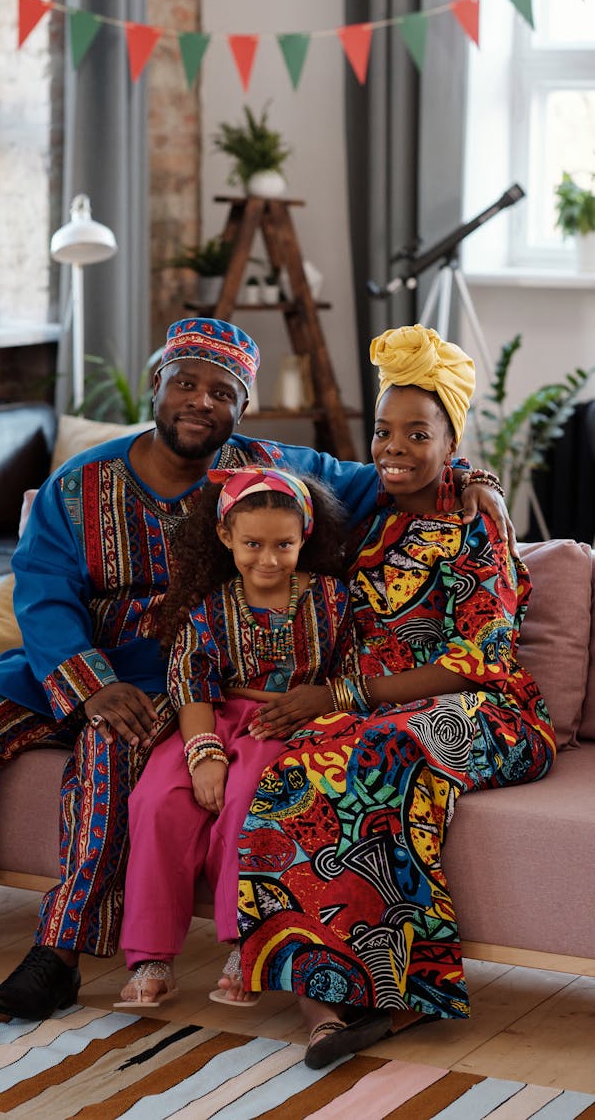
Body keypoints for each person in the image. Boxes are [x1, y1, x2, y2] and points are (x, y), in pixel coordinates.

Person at [0, 316, 512, 1022]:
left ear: (242, 407)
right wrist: (91, 683)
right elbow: (43, 593)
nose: (200, 401)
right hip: (73, 658)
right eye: (185, 383)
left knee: (112, 746)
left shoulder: (268, 467)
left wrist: (474, 477)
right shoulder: (77, 486)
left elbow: (387, 473)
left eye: (222, 391)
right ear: (157, 386)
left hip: (181, 673)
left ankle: (59, 953)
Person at [232, 323, 556, 1069]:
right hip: (372, 709)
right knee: (295, 767)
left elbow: (479, 659)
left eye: (418, 433)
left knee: (382, 752)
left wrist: (341, 692)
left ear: (451, 443)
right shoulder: (364, 511)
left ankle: (403, 992)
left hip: (486, 713)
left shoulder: (478, 528)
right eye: (383, 432)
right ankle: (323, 1000)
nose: (394, 448)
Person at [116, 466, 352, 1008]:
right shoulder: (208, 608)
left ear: (304, 537)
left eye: (283, 545)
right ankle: (151, 956)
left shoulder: (334, 601)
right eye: (252, 544)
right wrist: (203, 757)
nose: (268, 559)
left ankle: (247, 945)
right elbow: (191, 683)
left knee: (250, 798)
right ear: (225, 537)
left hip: (289, 723)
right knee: (156, 799)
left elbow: (348, 677)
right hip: (212, 717)